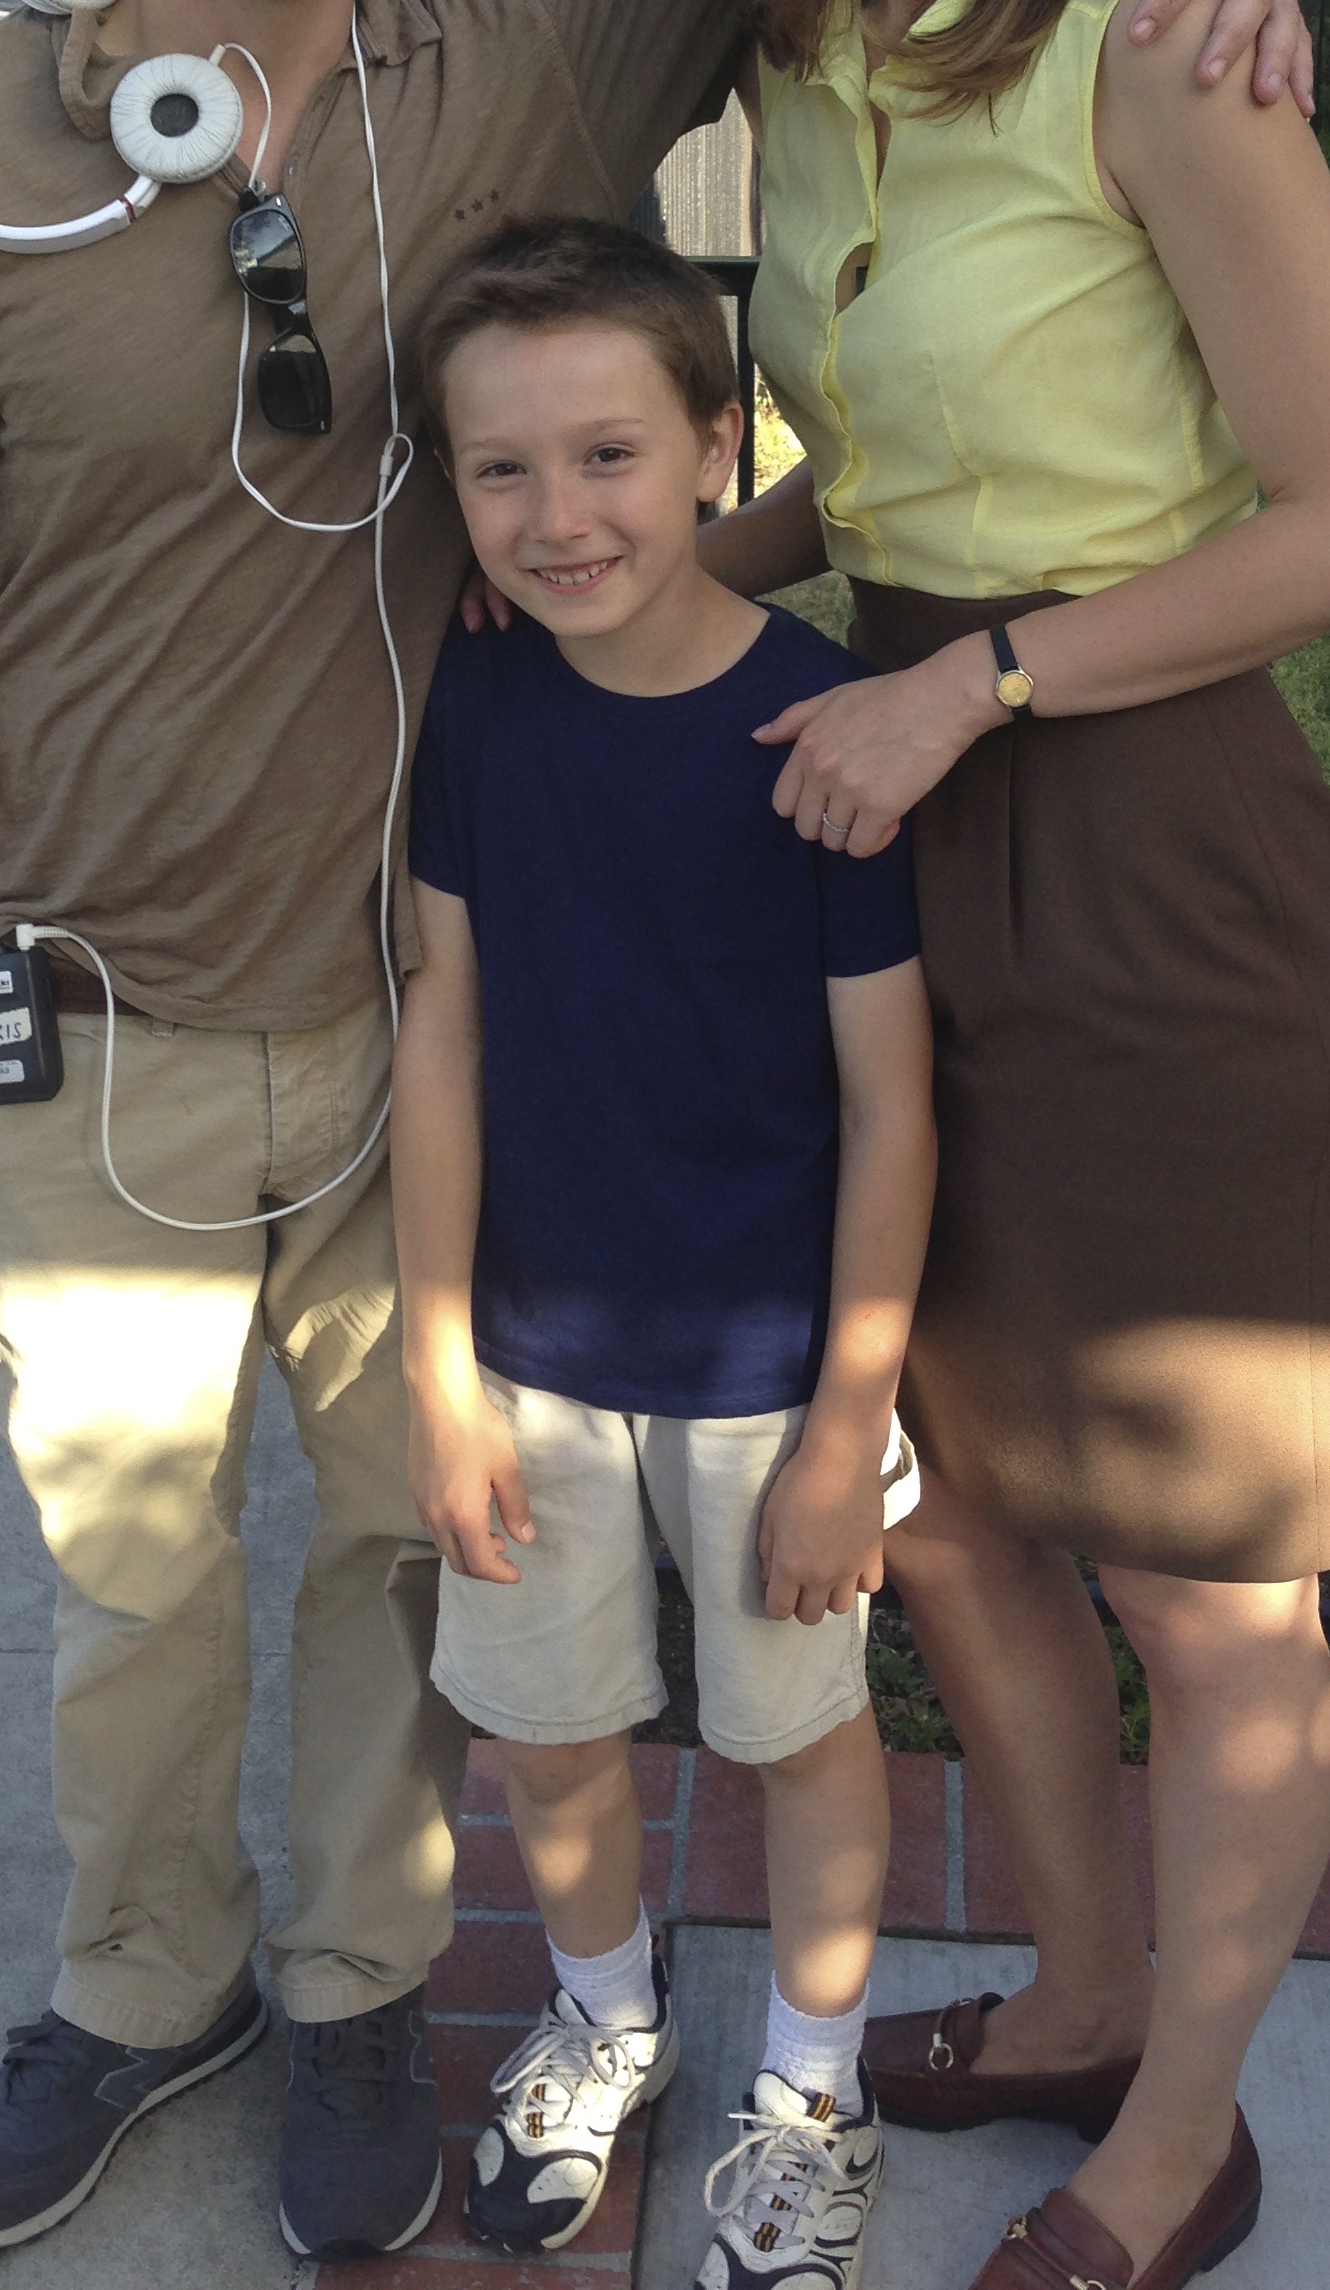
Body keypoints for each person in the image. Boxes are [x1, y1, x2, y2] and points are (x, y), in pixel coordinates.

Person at [0, 0, 1311, 2262]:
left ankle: (366, 2000)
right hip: (91, 1017)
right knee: (133, 1587)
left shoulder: (538, 25)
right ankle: (141, 1988)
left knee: (406, 1562)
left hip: (405, 983)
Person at [694, 0, 1330, 2290]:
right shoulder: (809, 7)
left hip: (1145, 851)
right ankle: (1091, 1989)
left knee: (1215, 1588)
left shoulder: (1164, 11)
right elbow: (878, 464)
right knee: (962, 1505)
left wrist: (974, 682)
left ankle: (1178, 2138)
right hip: (903, 813)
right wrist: (656, 587)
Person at [393, 218, 935, 2288]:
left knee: (798, 1734)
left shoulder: (824, 729)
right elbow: (441, 1032)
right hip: (528, 1348)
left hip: (770, 1368)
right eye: (501, 469)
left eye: (610, 455)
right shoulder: (475, 703)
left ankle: (812, 2088)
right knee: (548, 1739)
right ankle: (607, 2019)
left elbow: (892, 1103)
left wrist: (846, 1426)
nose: (557, 514)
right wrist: (441, 1376)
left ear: (723, 444)